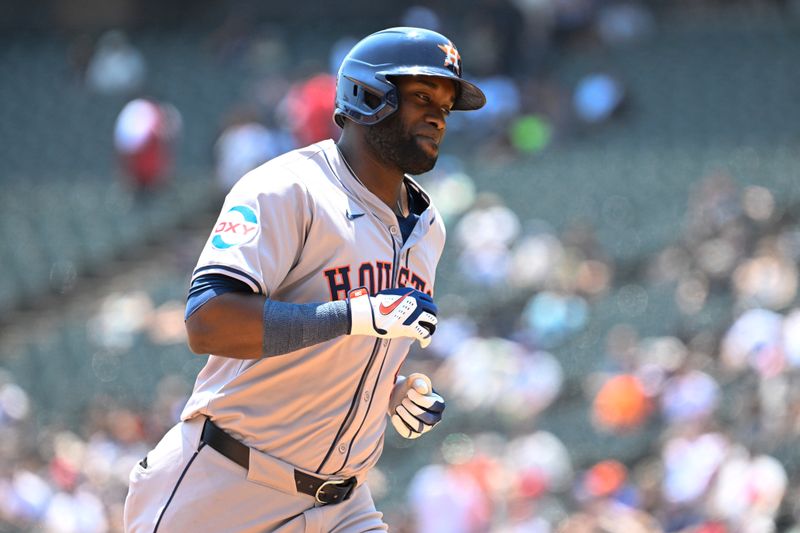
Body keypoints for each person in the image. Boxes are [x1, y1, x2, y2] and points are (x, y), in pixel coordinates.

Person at [123, 27, 485, 532]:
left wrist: (392, 388)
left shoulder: (429, 228)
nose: (438, 118)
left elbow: (352, 341)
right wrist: (354, 315)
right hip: (227, 487)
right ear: (368, 96)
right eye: (423, 97)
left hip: (342, 504)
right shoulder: (288, 189)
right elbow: (208, 321)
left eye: (446, 106)